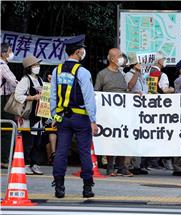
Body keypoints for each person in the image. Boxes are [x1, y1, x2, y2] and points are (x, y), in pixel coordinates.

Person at [50, 35, 98, 198]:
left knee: (61, 151)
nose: (83, 52)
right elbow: (88, 97)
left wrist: (54, 117)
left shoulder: (56, 70)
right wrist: (93, 120)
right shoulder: (83, 72)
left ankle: (59, 187)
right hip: (81, 117)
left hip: (63, 117)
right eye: (82, 49)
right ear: (78, 51)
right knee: (84, 151)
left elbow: (53, 98)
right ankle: (87, 187)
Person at [94, 48, 133, 177]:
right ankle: (110, 167)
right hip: (108, 114)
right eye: (119, 56)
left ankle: (121, 167)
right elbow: (96, 93)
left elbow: (125, 91)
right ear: (111, 58)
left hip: (122, 113)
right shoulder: (102, 74)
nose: (121, 58)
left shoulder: (121, 74)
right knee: (111, 139)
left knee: (123, 138)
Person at [15, 55, 44, 175]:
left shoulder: (40, 79)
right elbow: (18, 96)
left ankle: (35, 164)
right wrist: (32, 97)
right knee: (29, 141)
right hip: (28, 115)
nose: (37, 67)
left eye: (38, 65)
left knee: (38, 141)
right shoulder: (25, 80)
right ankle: (26, 163)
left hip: (39, 114)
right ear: (29, 67)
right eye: (35, 65)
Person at [124, 53, 149, 175]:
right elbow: (129, 86)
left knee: (140, 137)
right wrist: (137, 73)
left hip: (142, 110)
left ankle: (137, 164)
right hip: (133, 110)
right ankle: (130, 164)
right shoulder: (129, 75)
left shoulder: (142, 76)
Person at [0, 42, 17, 169]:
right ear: (3, 53)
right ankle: (5, 160)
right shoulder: (3, 65)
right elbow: (13, 81)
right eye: (10, 51)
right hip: (3, 100)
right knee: (7, 129)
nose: (11, 54)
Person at [42, 70, 57, 165]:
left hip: (52, 114)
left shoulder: (56, 87)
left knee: (52, 131)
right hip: (44, 113)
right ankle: (51, 156)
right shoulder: (43, 87)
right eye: (49, 78)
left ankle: (53, 155)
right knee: (47, 134)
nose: (51, 80)